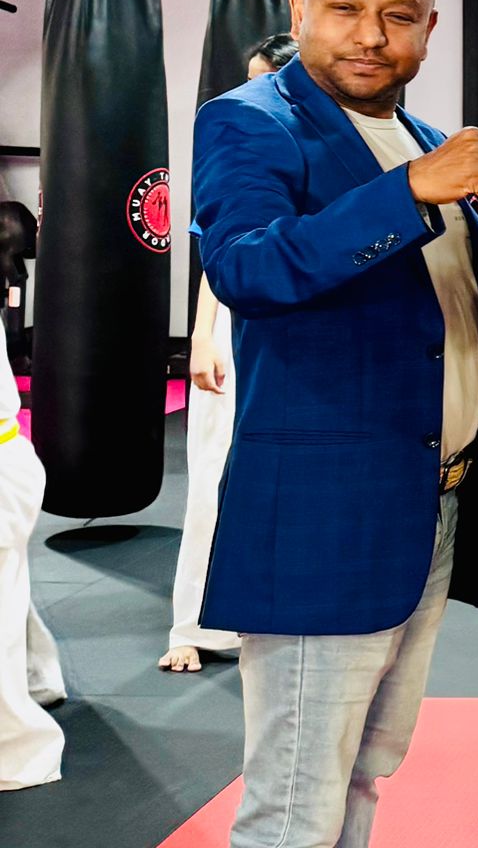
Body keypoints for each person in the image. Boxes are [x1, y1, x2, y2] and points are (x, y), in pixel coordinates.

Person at [192, 0, 478, 848]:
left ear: (428, 30)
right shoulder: (251, 121)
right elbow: (247, 267)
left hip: (430, 502)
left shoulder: (423, 138)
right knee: (294, 803)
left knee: (365, 773)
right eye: (344, 9)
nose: (371, 35)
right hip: (324, 516)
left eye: (397, 15)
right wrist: (410, 191)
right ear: (300, 9)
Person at [161, 33, 298, 675]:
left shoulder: (323, 151)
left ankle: (266, 613)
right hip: (235, 333)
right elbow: (217, 258)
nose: (249, 91)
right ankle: (191, 624)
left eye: (261, 79)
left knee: (288, 485)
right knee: (214, 474)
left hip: (299, 340)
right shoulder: (238, 142)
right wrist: (201, 337)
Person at [0, 217, 62, 793]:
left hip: (4, 468)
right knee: (9, 589)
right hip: (12, 458)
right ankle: (38, 677)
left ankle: (17, 747)